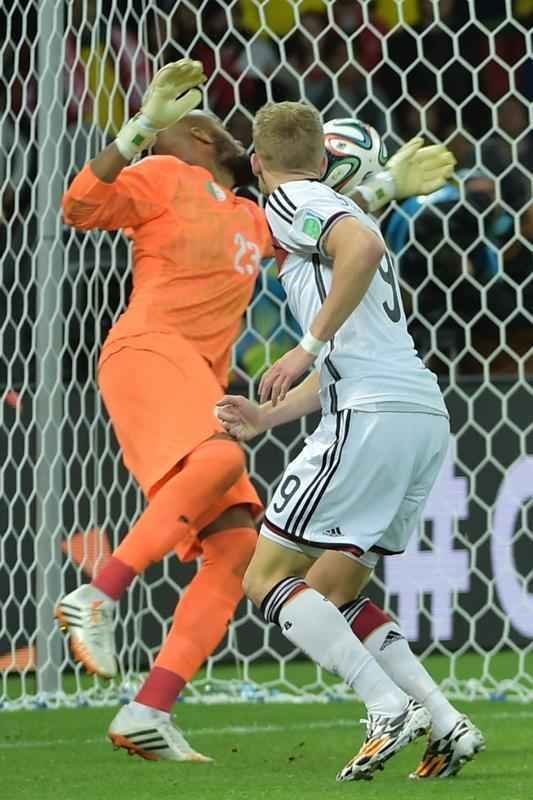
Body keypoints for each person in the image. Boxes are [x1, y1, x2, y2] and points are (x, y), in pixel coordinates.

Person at [57, 59, 456, 764]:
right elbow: (79, 207)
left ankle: (149, 708)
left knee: (238, 551)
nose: (184, 118)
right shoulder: (160, 174)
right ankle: (99, 594)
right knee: (221, 458)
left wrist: (386, 187)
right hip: (148, 349)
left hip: (198, 378)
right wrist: (139, 129)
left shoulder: (252, 213)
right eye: (173, 116)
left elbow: (324, 232)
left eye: (179, 113)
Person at [215, 100, 484, 781]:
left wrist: (303, 347)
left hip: (368, 417)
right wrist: (267, 417)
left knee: (265, 579)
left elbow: (358, 251)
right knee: (332, 589)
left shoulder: (291, 201)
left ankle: (386, 707)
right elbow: (353, 328)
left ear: (258, 161)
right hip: (417, 413)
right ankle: (445, 722)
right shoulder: (340, 213)